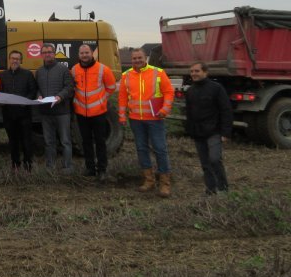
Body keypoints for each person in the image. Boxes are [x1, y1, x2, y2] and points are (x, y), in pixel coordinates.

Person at [118, 48, 175, 198]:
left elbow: (169, 92)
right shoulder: (126, 75)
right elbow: (123, 97)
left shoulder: (158, 72)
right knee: (141, 150)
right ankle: (149, 181)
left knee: (160, 149)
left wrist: (165, 109)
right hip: (136, 120)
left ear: (145, 58)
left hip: (155, 119)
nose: (137, 60)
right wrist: (122, 116)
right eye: (134, 58)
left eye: (139, 58)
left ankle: (165, 184)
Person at [185, 61, 232, 195]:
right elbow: (189, 113)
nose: (194, 74)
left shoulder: (216, 88)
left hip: (214, 131)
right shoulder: (190, 91)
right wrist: (190, 130)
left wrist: (225, 132)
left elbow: (226, 110)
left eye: (197, 71)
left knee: (215, 159)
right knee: (205, 164)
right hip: (198, 133)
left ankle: (223, 189)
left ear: (205, 72)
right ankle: (210, 189)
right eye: (192, 71)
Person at [71, 44, 117, 181]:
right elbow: (72, 88)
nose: (84, 55)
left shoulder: (103, 69)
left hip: (98, 112)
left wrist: (102, 100)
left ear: (92, 54)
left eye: (87, 53)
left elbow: (111, 87)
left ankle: (102, 169)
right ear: (78, 55)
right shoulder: (74, 70)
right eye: (82, 53)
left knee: (100, 142)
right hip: (81, 113)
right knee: (86, 142)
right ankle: (90, 168)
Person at [35, 43, 75, 172]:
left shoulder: (63, 69)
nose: (47, 54)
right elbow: (37, 89)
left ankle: (67, 167)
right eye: (45, 52)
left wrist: (60, 97)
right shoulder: (39, 71)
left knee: (65, 141)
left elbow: (69, 87)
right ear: (42, 54)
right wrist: (39, 95)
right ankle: (50, 166)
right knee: (49, 141)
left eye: (50, 52)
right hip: (46, 112)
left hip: (62, 112)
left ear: (54, 53)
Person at [0, 50, 38, 172]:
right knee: (13, 140)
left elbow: (33, 91)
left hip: (24, 113)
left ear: (21, 61)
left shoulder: (28, 74)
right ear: (9, 60)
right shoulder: (3, 75)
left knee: (26, 140)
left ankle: (28, 164)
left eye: (17, 58)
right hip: (9, 114)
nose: (15, 60)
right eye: (13, 58)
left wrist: (25, 101)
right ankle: (15, 164)